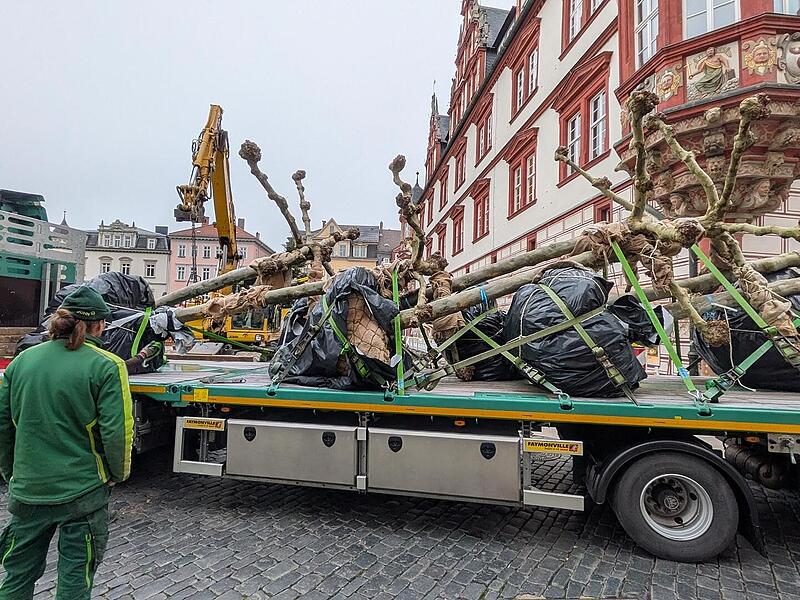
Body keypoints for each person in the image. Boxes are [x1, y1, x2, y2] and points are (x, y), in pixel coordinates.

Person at [0, 286, 134, 599]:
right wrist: (118, 473)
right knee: (75, 575)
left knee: (17, 574)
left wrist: (11, 473)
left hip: (29, 491)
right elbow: (117, 431)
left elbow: (3, 426)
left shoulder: (21, 362)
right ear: (99, 325)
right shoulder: (107, 365)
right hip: (82, 493)